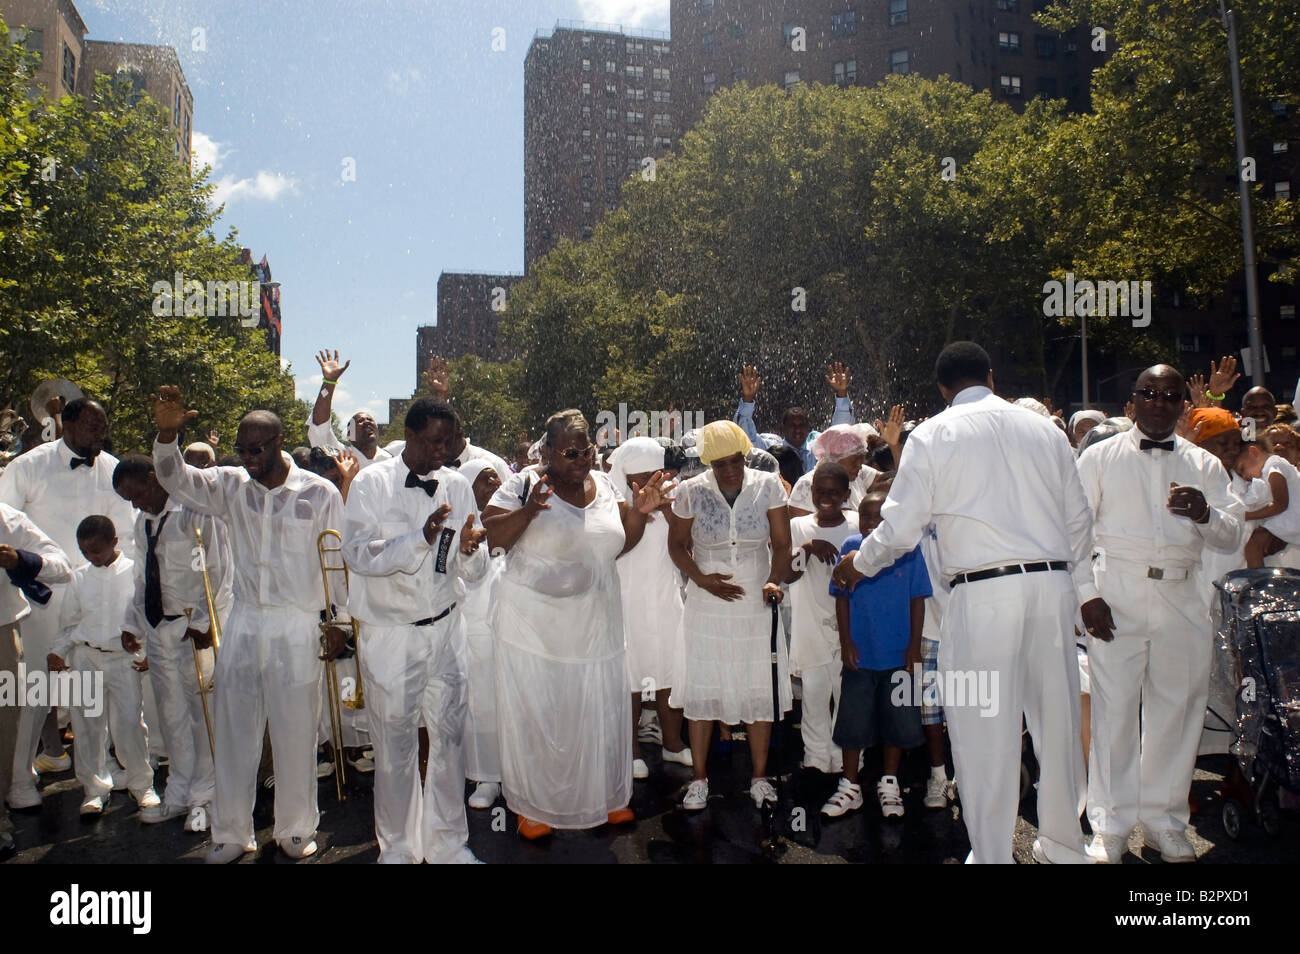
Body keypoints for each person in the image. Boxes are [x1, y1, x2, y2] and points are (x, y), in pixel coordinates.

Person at [832, 342, 1093, 864]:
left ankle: (993, 854)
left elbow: (901, 527)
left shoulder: (931, 434)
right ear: (991, 377)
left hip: (984, 593)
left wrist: (857, 564)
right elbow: (1078, 520)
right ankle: (1066, 848)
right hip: (1053, 588)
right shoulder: (1046, 430)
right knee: (1058, 728)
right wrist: (1085, 592)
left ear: (942, 389)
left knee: (982, 734)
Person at [150, 387, 350, 863]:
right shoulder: (230, 485)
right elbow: (174, 479)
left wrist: (341, 620)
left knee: (296, 732)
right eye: (241, 448)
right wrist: (167, 433)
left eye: (255, 448)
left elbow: (338, 561)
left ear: (279, 442)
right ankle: (232, 831)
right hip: (244, 623)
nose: (246, 457)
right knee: (235, 731)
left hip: (298, 625)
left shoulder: (318, 492)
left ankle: (296, 830)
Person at [1076, 365, 1243, 864]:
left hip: (1182, 596)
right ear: (1133, 402)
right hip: (1117, 595)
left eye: (1170, 396)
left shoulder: (1204, 465)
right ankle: (1110, 827)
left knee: (1178, 714)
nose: (1159, 402)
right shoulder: (1100, 457)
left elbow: (1233, 533)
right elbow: (1075, 532)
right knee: (1115, 713)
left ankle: (1165, 823)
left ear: (1181, 406)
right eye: (1148, 393)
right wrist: (1086, 595)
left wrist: (1206, 515)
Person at [482, 410, 669, 839]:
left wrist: (639, 513)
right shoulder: (523, 484)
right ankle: (534, 807)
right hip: (533, 627)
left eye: (587, 449)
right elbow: (492, 539)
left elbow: (620, 542)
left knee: (596, 710)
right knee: (540, 713)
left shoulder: (603, 485)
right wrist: (528, 512)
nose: (582, 458)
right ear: (547, 451)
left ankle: (603, 799)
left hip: (595, 622)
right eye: (571, 451)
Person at [341, 398, 488, 863]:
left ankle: (448, 846)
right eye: (432, 442)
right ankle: (398, 850)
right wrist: (419, 539)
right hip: (391, 635)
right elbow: (358, 555)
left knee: (448, 740)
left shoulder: (458, 485)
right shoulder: (370, 483)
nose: (442, 451)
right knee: (395, 747)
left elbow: (477, 571)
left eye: (448, 442)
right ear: (409, 435)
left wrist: (468, 550)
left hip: (446, 630)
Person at [0, 397, 137, 810]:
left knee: (94, 689)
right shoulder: (27, 466)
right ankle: (19, 780)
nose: (101, 434)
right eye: (94, 426)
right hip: (45, 596)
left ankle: (100, 776)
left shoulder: (112, 469)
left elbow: (127, 535)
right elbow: (6, 529)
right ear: (70, 424)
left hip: (100, 594)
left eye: (104, 427)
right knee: (34, 691)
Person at [667, 420, 793, 812]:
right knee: (704, 688)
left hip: (757, 598)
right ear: (708, 463)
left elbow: (784, 544)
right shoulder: (691, 491)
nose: (729, 470)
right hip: (707, 602)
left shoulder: (768, 485)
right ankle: (700, 779)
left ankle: (758, 778)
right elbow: (676, 545)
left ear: (744, 455)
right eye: (719, 464)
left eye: (734, 461)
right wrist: (703, 580)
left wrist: (774, 581)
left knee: (758, 687)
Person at [113, 455, 231, 832]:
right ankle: (179, 791)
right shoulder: (142, 522)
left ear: (153, 479)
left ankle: (207, 796)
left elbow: (221, 572)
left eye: (135, 495)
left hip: (192, 631)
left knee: (204, 718)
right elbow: (141, 578)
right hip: (158, 630)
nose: (133, 504)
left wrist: (204, 623)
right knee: (172, 717)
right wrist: (133, 622)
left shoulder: (197, 513)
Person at [823, 492, 931, 818]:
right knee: (853, 722)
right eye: (865, 516)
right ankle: (850, 785)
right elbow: (841, 597)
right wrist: (846, 642)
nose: (871, 524)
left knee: (897, 722)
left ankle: (889, 783)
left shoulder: (908, 551)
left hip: (898, 655)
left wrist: (914, 647)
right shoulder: (850, 548)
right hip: (861, 653)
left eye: (878, 517)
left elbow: (917, 600)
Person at [47, 516, 158, 817]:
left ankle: (142, 785)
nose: (91, 557)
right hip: (86, 657)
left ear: (114, 542)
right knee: (87, 728)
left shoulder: (134, 571)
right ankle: (94, 790)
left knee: (131, 725)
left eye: (96, 551)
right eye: (85, 552)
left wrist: (147, 650)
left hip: (123, 659)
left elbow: (147, 615)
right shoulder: (80, 577)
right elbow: (70, 623)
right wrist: (58, 651)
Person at [608, 437, 692, 779]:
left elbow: (686, 543)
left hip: (665, 595)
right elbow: (616, 548)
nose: (651, 482)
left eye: (656, 474)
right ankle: (631, 750)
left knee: (669, 673)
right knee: (629, 677)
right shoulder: (610, 504)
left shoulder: (674, 497)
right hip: (626, 600)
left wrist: (669, 509)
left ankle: (672, 743)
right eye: (643, 477)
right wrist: (639, 511)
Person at [0, 504, 72, 854]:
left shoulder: (4, 517)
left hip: (0, 630)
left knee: (3, 727)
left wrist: (21, 561)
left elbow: (59, 564)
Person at [787, 461, 858, 776]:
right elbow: (787, 574)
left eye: (834, 492)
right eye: (820, 491)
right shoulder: (798, 527)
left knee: (847, 696)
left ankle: (848, 756)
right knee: (814, 695)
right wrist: (808, 547)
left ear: (846, 494)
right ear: (811, 491)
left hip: (852, 627)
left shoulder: (858, 525)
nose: (826, 497)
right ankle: (816, 756)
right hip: (811, 623)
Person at [457, 459, 506, 810]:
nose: (493, 484)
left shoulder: (515, 516)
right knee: (482, 703)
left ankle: (519, 776)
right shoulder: (462, 524)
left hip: (515, 624)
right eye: (484, 479)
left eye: (496, 478)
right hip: (475, 625)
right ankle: (486, 774)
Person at [385, 357, 513, 482]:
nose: (440, 447)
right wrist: (440, 394)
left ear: (460, 433)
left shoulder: (493, 465)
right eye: (435, 440)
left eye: (446, 440)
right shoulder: (411, 454)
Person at [735, 363, 856, 475]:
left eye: (801, 425)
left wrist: (841, 393)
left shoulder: (819, 447)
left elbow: (841, 435)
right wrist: (747, 399)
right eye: (792, 425)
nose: (797, 429)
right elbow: (744, 437)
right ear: (782, 428)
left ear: (808, 428)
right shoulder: (771, 450)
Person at [308, 350, 393, 470]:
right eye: (359, 421)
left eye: (370, 420)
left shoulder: (392, 461)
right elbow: (320, 426)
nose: (367, 422)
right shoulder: (340, 457)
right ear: (349, 435)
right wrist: (329, 382)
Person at [787, 426, 880, 518]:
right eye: (854, 461)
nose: (859, 466)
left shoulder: (858, 474)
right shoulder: (806, 486)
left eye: (861, 460)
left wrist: (893, 448)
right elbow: (798, 530)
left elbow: (889, 483)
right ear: (834, 458)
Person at [1236, 441, 1300, 568]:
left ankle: (1256, 583)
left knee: (1252, 547)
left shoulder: (1274, 466)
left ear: (1254, 452)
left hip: (1291, 521)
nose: (1244, 476)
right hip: (1287, 521)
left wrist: (1247, 516)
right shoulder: (1269, 471)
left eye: (1242, 469)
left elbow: (1280, 504)